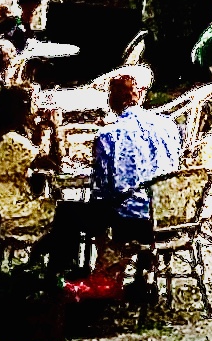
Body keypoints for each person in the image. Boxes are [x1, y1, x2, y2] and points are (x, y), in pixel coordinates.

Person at [65, 66, 181, 287]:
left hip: (134, 222)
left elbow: (102, 189)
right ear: (141, 96)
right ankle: (142, 269)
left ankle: (81, 271)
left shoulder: (109, 134)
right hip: (172, 215)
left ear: (111, 102)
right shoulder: (169, 125)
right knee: (126, 202)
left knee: (72, 212)